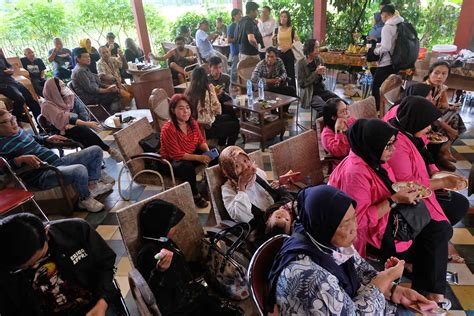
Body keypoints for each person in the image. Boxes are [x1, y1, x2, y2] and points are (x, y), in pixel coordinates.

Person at [329, 119, 453, 308]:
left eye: (393, 144)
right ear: (373, 143)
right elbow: (358, 222)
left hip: (387, 220)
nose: (393, 150)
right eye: (388, 145)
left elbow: (390, 189)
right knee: (434, 235)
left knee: (437, 229)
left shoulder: (372, 159)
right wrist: (394, 200)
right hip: (366, 238)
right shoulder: (355, 173)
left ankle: (424, 293)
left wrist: (404, 195)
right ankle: (427, 295)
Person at [268, 185, 437, 315]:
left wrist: (394, 290)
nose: (354, 228)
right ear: (325, 225)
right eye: (344, 224)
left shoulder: (322, 236)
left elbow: (361, 270)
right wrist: (381, 283)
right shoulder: (310, 277)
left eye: (354, 218)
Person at [0, 213, 123, 315]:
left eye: (40, 257)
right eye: (24, 267)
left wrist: (103, 302)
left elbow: (106, 265)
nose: (32, 267)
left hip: (96, 303)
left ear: (46, 232)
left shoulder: (76, 230)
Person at [136, 200, 240, 316]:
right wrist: (160, 271)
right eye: (172, 225)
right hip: (177, 306)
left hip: (186, 291)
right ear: (161, 226)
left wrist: (202, 264)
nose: (176, 228)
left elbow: (179, 264)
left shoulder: (164, 240)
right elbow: (154, 290)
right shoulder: (148, 254)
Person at [0, 109, 113, 212]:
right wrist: (19, 159)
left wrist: (47, 138)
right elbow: (3, 169)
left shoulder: (19, 131)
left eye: (12, 118)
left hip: (57, 162)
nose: (13, 122)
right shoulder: (1, 145)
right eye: (7, 121)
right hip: (43, 174)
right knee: (79, 169)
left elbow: (35, 139)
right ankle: (84, 199)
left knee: (96, 150)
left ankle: (93, 186)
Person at [386, 96, 469, 228]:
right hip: (409, 198)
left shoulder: (411, 133)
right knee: (447, 222)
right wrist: (443, 182)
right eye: (426, 124)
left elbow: (426, 155)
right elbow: (406, 184)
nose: (429, 128)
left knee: (460, 204)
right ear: (415, 120)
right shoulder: (397, 145)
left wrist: (436, 173)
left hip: (423, 185)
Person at [41, 78, 123, 162]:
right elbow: (63, 118)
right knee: (82, 130)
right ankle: (108, 150)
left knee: (83, 133)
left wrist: (73, 123)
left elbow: (69, 115)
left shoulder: (61, 100)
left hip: (68, 126)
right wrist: (87, 124)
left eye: (64, 85)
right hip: (57, 131)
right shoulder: (47, 106)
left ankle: (97, 157)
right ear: (54, 90)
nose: (65, 88)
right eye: (62, 86)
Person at [159, 94, 214, 208]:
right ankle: (195, 195)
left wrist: (208, 153)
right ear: (173, 110)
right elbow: (176, 154)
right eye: (181, 108)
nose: (186, 111)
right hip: (171, 161)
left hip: (189, 154)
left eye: (187, 107)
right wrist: (200, 157)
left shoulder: (192, 122)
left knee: (215, 152)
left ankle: (213, 183)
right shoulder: (168, 128)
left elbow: (200, 140)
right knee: (186, 166)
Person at [220, 146, 278, 230]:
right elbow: (241, 217)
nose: (245, 167)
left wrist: (275, 187)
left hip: (276, 213)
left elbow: (266, 195)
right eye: (236, 166)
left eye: (245, 161)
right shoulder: (228, 190)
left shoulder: (257, 173)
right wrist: (241, 187)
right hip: (260, 227)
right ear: (230, 171)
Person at [425, 60, 466, 171]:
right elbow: (428, 113)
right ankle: (442, 152)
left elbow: (444, 105)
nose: (440, 76)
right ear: (430, 73)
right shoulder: (424, 89)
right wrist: (450, 129)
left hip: (435, 115)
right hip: (425, 119)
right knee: (452, 123)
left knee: (455, 114)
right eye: (436, 73)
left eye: (444, 74)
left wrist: (452, 107)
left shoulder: (441, 88)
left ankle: (444, 150)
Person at [186, 67, 239, 148]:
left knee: (229, 117)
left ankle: (221, 144)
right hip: (206, 128)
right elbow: (218, 110)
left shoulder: (188, 92)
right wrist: (215, 94)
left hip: (194, 127)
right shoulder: (207, 90)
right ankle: (228, 149)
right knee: (235, 124)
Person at [372, 4, 404, 109]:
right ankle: (387, 109)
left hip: (386, 63)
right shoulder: (400, 24)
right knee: (390, 88)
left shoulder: (387, 27)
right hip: (397, 61)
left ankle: (377, 110)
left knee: (377, 87)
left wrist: (376, 51)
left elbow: (386, 47)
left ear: (384, 15)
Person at [71, 48, 121, 112]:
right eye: (85, 57)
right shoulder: (79, 71)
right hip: (89, 97)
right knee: (115, 94)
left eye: (88, 56)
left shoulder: (84, 68)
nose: (88, 58)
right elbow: (91, 89)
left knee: (115, 90)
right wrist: (107, 90)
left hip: (94, 93)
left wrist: (108, 86)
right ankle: (113, 116)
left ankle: (112, 114)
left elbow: (98, 83)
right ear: (78, 59)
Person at [296, 39, 338, 114]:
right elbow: (302, 84)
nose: (318, 50)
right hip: (310, 94)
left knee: (339, 102)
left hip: (321, 90)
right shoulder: (300, 64)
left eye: (318, 47)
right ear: (309, 48)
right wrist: (315, 73)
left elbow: (322, 78)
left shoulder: (319, 60)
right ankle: (321, 123)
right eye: (315, 47)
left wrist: (323, 73)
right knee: (326, 109)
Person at [0, 48, 41, 123]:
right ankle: (14, 119)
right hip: (2, 85)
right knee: (20, 98)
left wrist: (11, 70)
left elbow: (9, 66)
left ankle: (42, 126)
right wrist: (3, 72)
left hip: (11, 81)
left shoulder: (1, 56)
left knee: (32, 101)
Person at [251, 47, 297, 113]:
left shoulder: (279, 61)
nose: (269, 59)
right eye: (267, 56)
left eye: (272, 57)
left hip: (276, 86)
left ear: (276, 57)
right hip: (265, 89)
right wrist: (269, 81)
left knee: (292, 90)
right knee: (271, 94)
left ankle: (283, 111)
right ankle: (273, 112)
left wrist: (280, 78)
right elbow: (254, 78)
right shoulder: (261, 64)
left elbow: (284, 73)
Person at [272, 10, 299, 90]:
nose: (283, 18)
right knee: (279, 74)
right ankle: (281, 92)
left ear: (288, 19)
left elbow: (298, 41)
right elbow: (274, 44)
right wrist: (273, 40)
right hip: (279, 53)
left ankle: (293, 93)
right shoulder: (276, 30)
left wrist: (289, 47)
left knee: (290, 74)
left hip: (289, 54)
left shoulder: (292, 30)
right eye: (281, 16)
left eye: (285, 17)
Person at [227, 8, 243, 83]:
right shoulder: (232, 26)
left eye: (241, 14)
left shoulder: (240, 24)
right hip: (235, 51)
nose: (241, 16)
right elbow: (229, 40)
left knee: (241, 68)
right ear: (234, 16)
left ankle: (239, 84)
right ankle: (232, 84)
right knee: (234, 69)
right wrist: (238, 38)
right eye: (239, 14)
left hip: (241, 50)